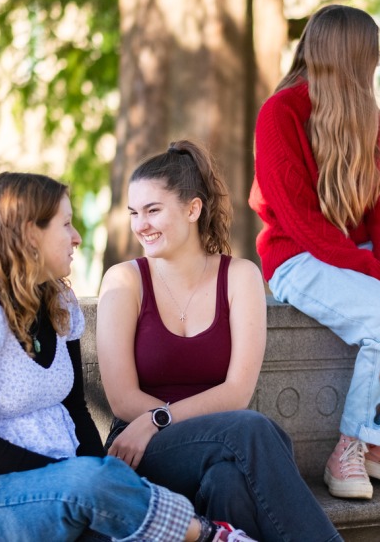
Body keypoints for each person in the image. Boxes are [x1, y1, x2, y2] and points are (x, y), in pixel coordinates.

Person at [0, 172, 250, 542]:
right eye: (65, 224)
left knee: (108, 500)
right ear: (30, 234)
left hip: (65, 486)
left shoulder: (59, 302)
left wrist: (98, 474)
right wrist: (77, 477)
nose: (77, 237)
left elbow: (76, 409)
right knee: (95, 480)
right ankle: (210, 535)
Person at [248, 4, 380, 500]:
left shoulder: (372, 116)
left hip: (362, 254)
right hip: (298, 255)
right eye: (372, 53)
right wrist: (376, 273)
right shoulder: (280, 113)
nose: (377, 62)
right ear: (349, 56)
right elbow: (299, 219)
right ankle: (348, 451)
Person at [96, 140, 341, 541]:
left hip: (216, 444)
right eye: (134, 213)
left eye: (153, 210)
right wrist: (159, 426)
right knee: (255, 431)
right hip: (141, 448)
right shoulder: (125, 281)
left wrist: (162, 418)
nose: (141, 225)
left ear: (193, 209)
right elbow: (122, 399)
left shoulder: (240, 276)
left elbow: (236, 392)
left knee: (229, 482)